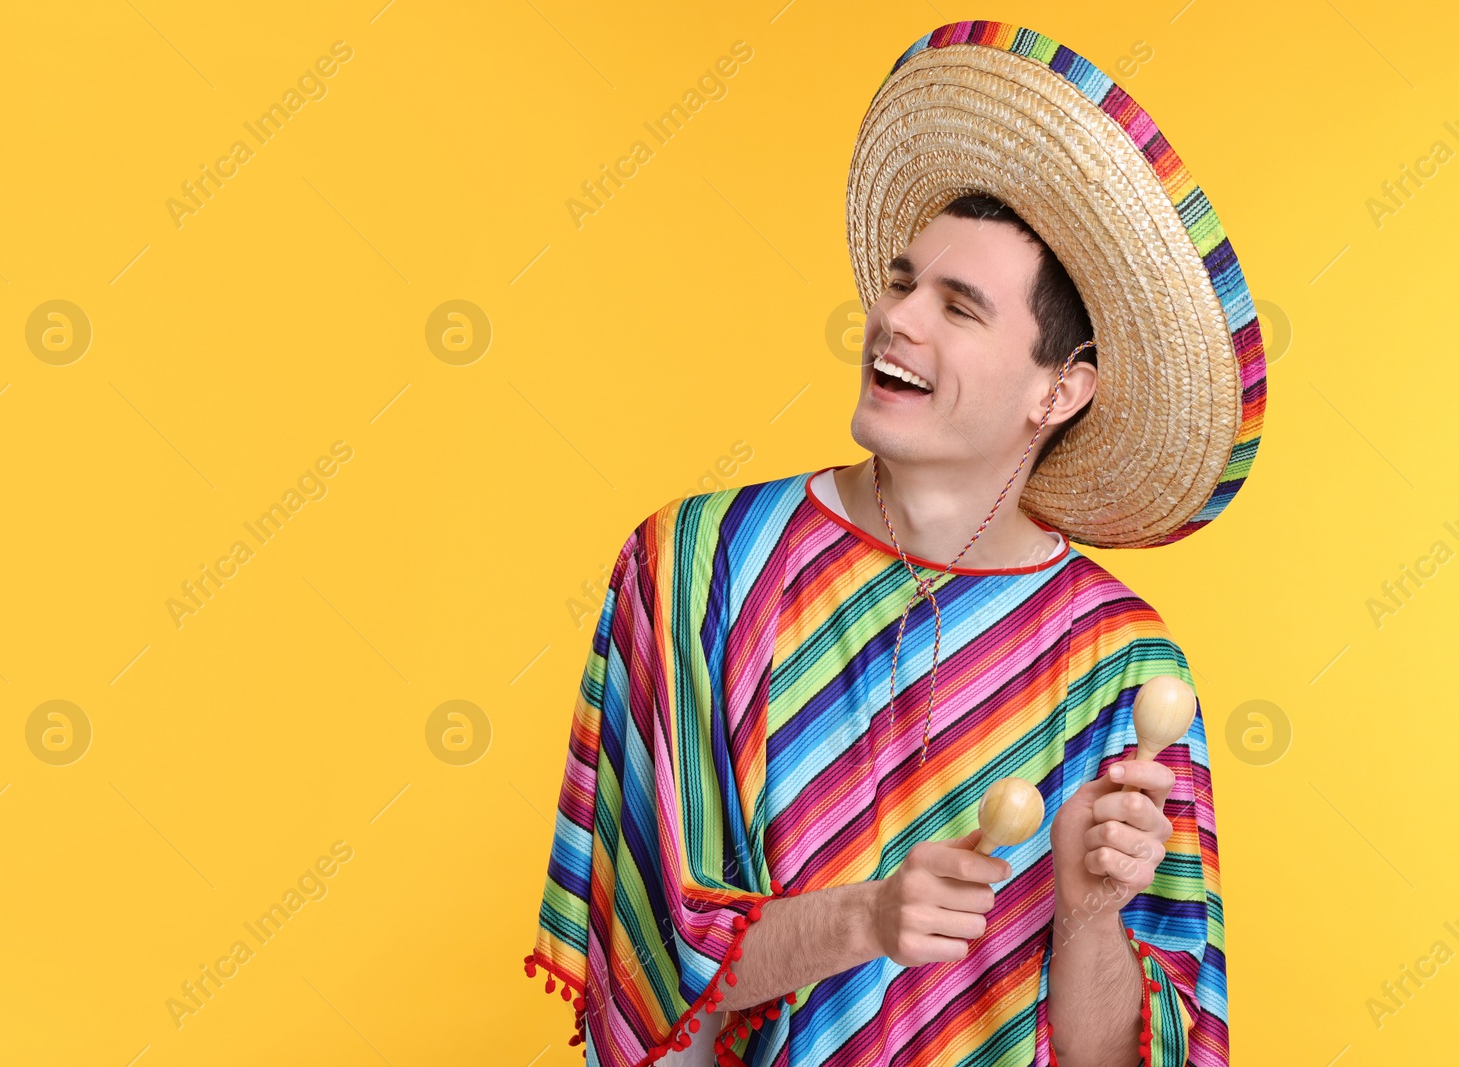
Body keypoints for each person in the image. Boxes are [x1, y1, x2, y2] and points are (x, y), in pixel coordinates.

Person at [524, 19, 1265, 1067]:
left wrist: (1091, 912)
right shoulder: (700, 568)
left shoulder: (1122, 663)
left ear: (1059, 389)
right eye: (902, 279)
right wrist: (863, 919)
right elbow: (649, 982)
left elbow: (1116, 1058)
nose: (894, 318)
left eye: (957, 307)